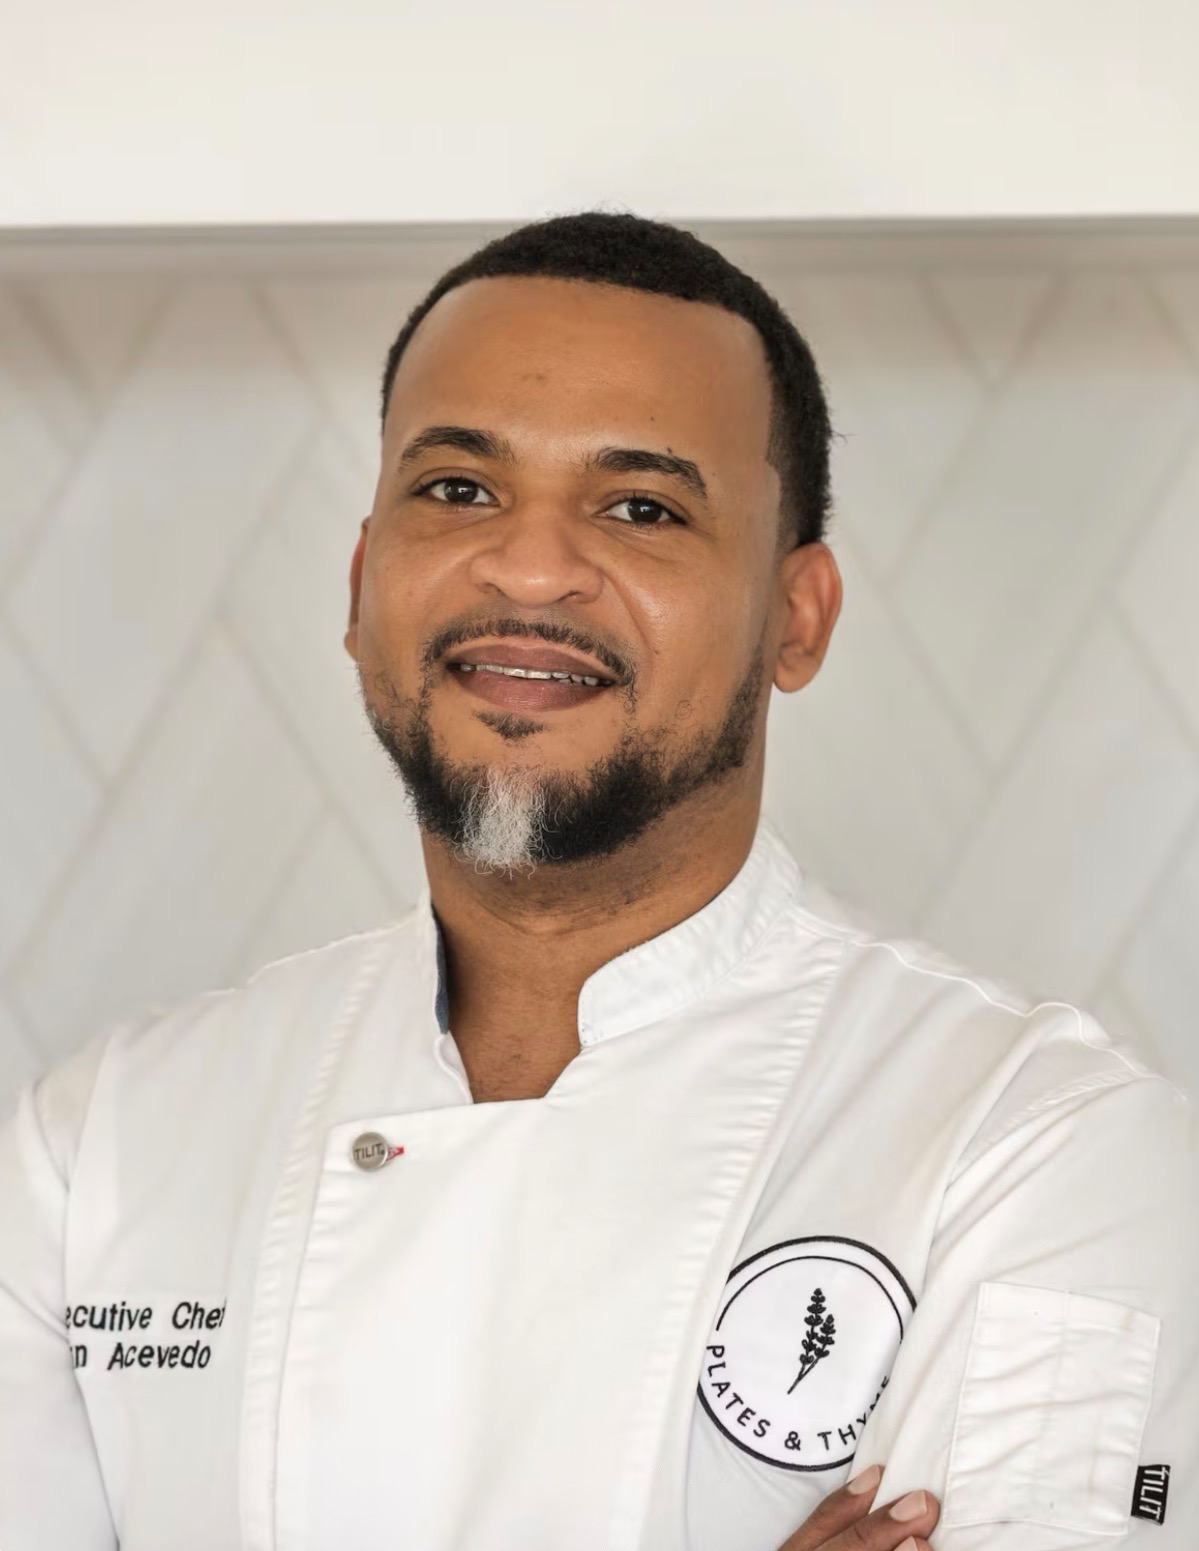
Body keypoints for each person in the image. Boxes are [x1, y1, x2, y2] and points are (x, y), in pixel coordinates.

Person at [0, 212, 1193, 1551]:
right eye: (459, 490)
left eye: (642, 509)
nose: (529, 568)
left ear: (795, 619)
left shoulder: (1036, 1148)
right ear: (360, 581)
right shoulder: (99, 1152)